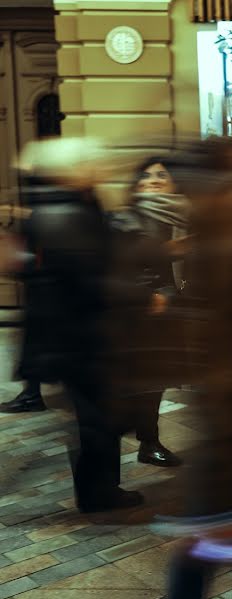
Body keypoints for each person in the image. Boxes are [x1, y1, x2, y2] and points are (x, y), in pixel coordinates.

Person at [15, 137, 148, 512]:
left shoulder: (70, 205)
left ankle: (99, 490)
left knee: (99, 416)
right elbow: (91, 278)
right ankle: (98, 494)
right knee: (99, 418)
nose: (101, 168)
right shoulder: (66, 213)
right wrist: (143, 296)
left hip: (79, 334)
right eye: (92, 163)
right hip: (81, 336)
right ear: (72, 171)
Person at [107, 157, 188, 467]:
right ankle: (143, 440)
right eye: (146, 175)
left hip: (168, 313)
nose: (154, 180)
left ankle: (148, 441)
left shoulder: (181, 217)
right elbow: (121, 267)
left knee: (156, 381)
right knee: (141, 381)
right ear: (136, 185)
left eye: (162, 175)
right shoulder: (126, 219)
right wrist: (151, 294)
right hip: (140, 315)